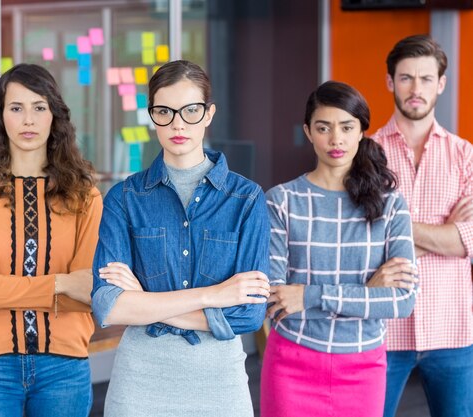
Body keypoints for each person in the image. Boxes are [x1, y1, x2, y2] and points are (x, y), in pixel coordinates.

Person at [91, 59, 270, 417]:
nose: (177, 124)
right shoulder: (124, 198)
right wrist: (212, 295)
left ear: (208, 114)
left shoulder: (246, 199)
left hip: (219, 387)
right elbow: (109, 306)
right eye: (164, 111)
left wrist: (145, 302)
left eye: (190, 111)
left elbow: (249, 314)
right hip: (139, 387)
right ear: (151, 115)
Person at [0, 63, 102, 417]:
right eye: (16, 108)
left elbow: (88, 294)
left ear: (54, 117)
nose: (28, 120)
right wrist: (61, 284)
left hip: (63, 368)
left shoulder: (86, 198)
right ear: (1, 118)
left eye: (39, 107)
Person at [261, 81, 418, 417]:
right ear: (308, 131)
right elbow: (275, 300)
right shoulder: (281, 201)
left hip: (363, 365)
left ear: (361, 130)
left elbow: (403, 301)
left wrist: (310, 296)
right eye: (323, 128)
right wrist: (366, 294)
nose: (336, 139)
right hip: (292, 361)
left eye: (347, 127)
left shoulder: (390, 205)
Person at [372, 34, 473, 417]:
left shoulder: (465, 156)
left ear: (441, 84)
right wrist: (447, 232)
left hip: (453, 329)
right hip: (384, 329)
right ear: (390, 82)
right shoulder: (367, 157)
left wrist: (395, 230)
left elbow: (471, 241)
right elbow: (363, 241)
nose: (416, 89)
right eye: (406, 78)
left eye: (426, 79)